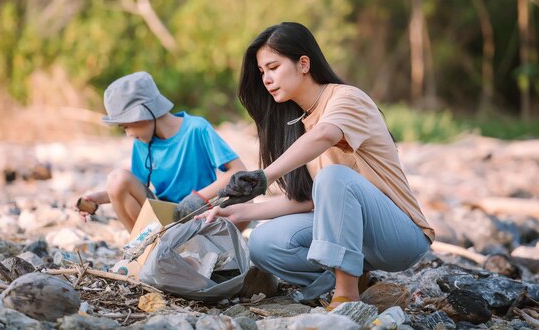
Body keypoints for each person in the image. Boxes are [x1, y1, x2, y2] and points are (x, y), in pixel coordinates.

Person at [197, 22, 434, 309]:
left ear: (304, 64)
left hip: (399, 237)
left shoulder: (347, 99)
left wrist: (263, 177)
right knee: (263, 242)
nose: (266, 79)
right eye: (262, 72)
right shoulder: (298, 121)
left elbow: (326, 135)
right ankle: (350, 275)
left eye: (273, 67)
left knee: (335, 177)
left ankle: (346, 297)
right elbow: (309, 200)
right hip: (354, 236)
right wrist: (238, 211)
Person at [78, 71, 245, 232]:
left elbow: (239, 170)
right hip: (164, 220)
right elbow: (135, 189)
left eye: (126, 126)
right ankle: (144, 248)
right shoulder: (143, 143)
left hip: (201, 215)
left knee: (247, 201)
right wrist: (99, 198)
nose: (128, 134)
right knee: (116, 179)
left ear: (143, 114)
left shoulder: (196, 129)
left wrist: (197, 198)